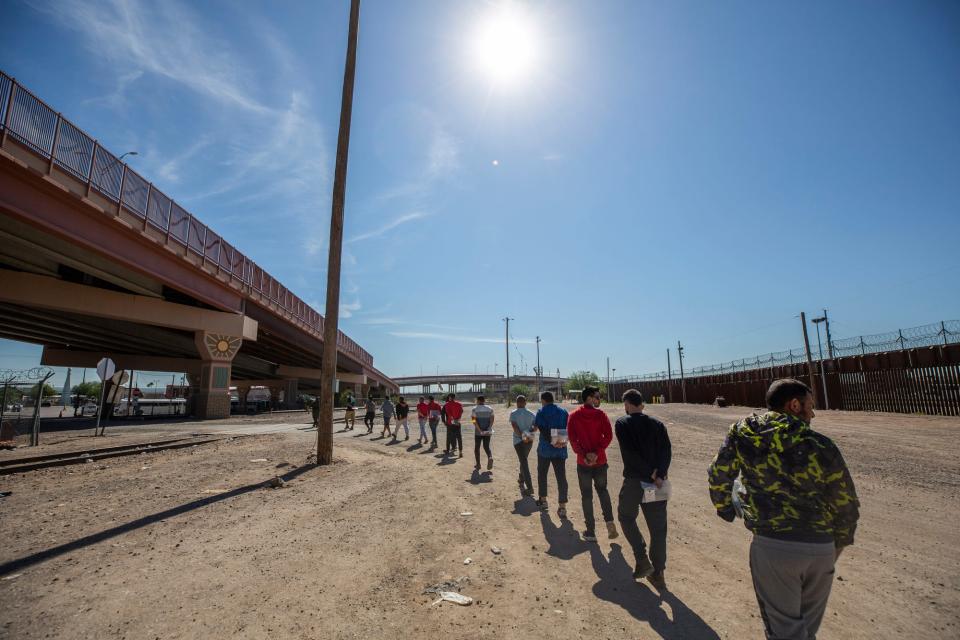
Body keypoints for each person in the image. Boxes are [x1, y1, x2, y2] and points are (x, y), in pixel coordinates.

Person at [709, 379, 860, 640]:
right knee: (805, 632)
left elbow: (718, 474)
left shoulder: (742, 434)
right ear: (794, 405)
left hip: (772, 546)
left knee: (785, 632)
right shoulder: (821, 445)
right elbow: (846, 503)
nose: (812, 414)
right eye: (810, 406)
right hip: (821, 547)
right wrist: (836, 546)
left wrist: (725, 508)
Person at [615, 389, 671, 588]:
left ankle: (642, 559)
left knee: (626, 516)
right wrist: (660, 473)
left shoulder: (622, 423)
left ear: (628, 404)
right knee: (658, 529)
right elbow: (666, 450)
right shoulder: (658, 425)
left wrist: (649, 473)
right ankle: (659, 573)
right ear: (642, 404)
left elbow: (629, 455)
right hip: (656, 484)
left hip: (635, 483)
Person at [568, 386, 617, 543]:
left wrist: (584, 455)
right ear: (589, 398)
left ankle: (590, 532)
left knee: (587, 496)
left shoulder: (574, 416)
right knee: (602, 491)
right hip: (600, 461)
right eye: (597, 396)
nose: (599, 398)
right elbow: (608, 436)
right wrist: (597, 452)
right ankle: (610, 524)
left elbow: (573, 439)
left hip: (583, 464)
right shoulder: (601, 415)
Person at [532, 390, 569, 518]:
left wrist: (552, 441)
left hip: (545, 449)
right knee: (561, 477)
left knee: (542, 474)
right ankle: (562, 507)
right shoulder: (563, 411)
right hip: (560, 448)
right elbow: (566, 428)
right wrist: (559, 441)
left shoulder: (541, 412)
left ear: (543, 400)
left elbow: (540, 428)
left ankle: (543, 500)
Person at [509, 394, 536, 496]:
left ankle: (529, 487)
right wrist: (527, 436)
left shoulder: (513, 413)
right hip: (529, 440)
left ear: (517, 403)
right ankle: (521, 479)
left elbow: (515, 428)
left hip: (518, 441)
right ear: (525, 403)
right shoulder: (532, 414)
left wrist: (522, 437)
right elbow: (535, 427)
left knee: (524, 462)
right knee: (523, 459)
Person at [470, 395, 495, 471]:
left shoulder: (474, 409)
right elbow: (492, 418)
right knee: (486, 446)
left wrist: (479, 429)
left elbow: (474, 421)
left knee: (477, 447)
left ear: (478, 400)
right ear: (484, 400)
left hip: (478, 432)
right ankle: (490, 457)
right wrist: (489, 427)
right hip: (487, 430)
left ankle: (478, 464)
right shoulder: (490, 409)